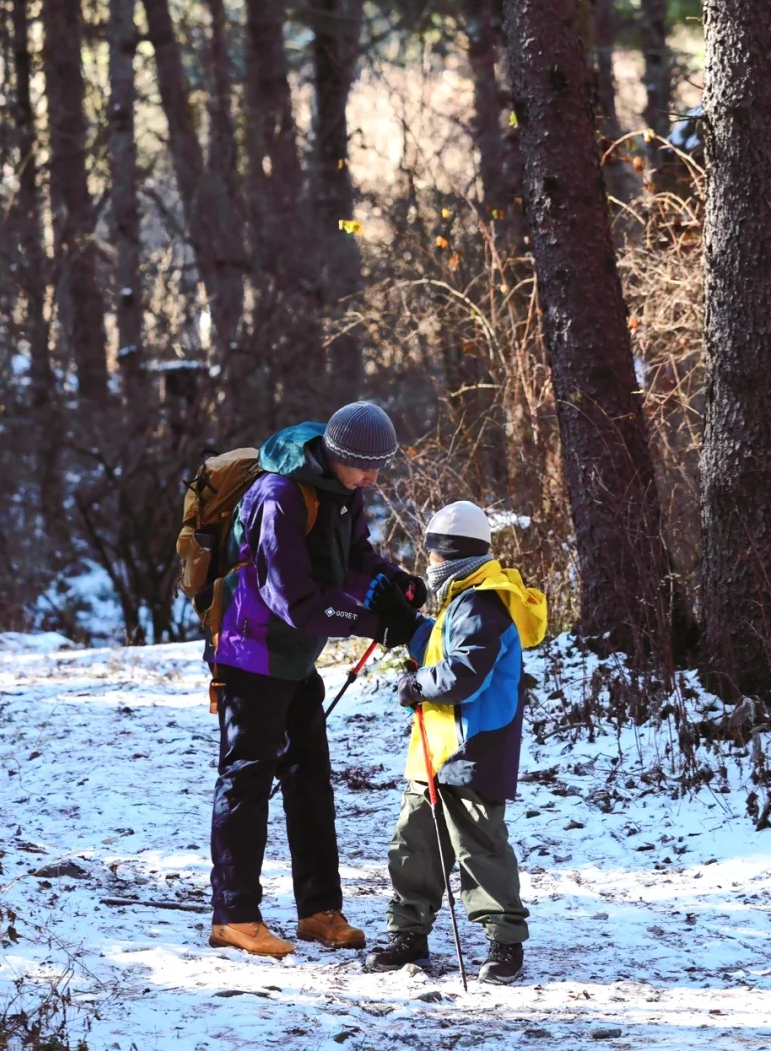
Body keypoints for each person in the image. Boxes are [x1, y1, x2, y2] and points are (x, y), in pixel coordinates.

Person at [208, 402, 425, 959]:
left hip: (296, 661)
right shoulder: (279, 496)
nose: (374, 478)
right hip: (251, 655)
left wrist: (397, 585)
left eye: (379, 467)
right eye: (367, 467)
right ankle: (234, 915)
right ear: (338, 455)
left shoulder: (342, 491)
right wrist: (374, 624)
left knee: (310, 782)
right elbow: (295, 602)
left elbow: (354, 560)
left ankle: (319, 910)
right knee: (247, 780)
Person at [365, 500, 547, 985]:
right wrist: (407, 624)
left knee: (480, 848)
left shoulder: (483, 603)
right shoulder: (462, 600)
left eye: (433, 556)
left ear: (450, 556)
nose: (429, 565)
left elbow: (464, 672)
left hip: (472, 751)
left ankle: (505, 941)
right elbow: (442, 646)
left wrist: (415, 685)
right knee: (414, 846)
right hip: (434, 751)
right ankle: (409, 935)